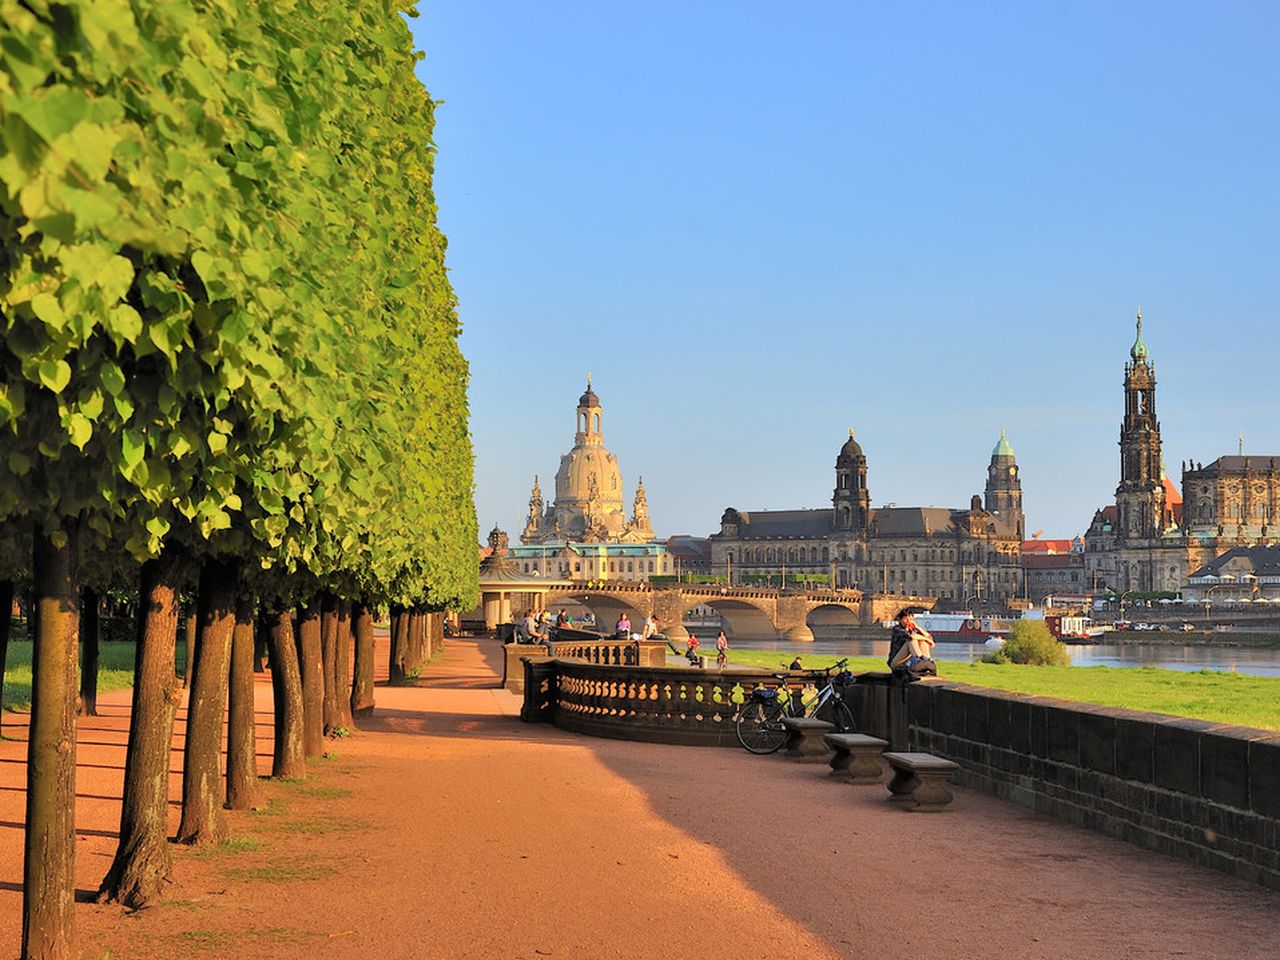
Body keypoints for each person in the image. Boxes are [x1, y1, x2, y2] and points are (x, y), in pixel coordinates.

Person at [888, 608, 935, 672]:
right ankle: (918, 660)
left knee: (922, 641)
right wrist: (927, 639)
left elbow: (929, 637)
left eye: (910, 619)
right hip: (896, 662)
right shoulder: (897, 629)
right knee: (911, 641)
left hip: (908, 661)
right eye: (905, 619)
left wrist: (917, 627)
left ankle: (926, 662)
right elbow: (911, 637)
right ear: (900, 620)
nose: (908, 621)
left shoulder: (913, 630)